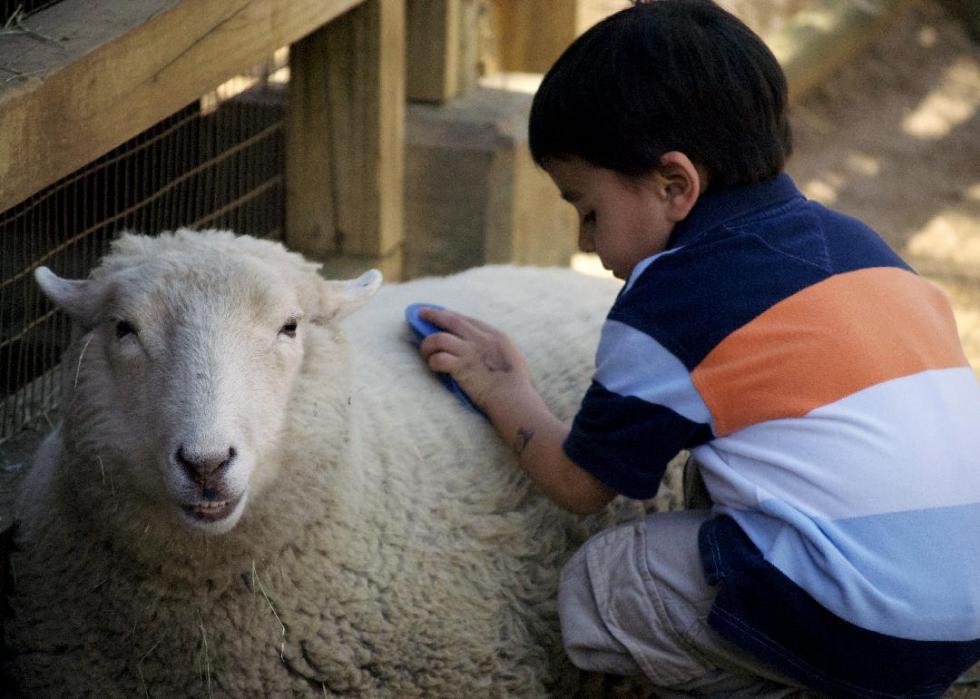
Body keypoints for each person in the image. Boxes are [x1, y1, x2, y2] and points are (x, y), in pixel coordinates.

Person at [417, 1, 980, 696]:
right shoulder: (861, 244)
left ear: (674, 185)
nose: (586, 242)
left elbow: (580, 485)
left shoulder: (673, 301)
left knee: (604, 580)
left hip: (865, 624)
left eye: (588, 210)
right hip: (962, 616)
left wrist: (504, 389)